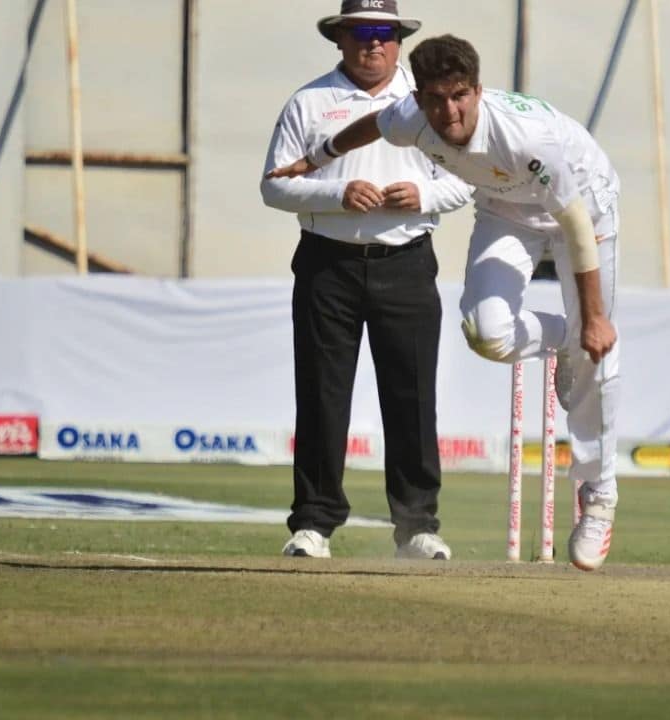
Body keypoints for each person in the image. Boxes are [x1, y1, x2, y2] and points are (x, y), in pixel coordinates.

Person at [268, 34, 622, 571]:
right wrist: (313, 159)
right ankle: (563, 339)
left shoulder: (527, 138)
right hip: (507, 208)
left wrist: (593, 320)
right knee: (486, 331)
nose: (449, 112)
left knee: (597, 349)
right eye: (435, 99)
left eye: (459, 97)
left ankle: (598, 497)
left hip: (584, 205)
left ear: (478, 91)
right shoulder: (411, 116)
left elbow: (574, 222)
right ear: (419, 98)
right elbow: (372, 125)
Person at [260, 2, 471, 561]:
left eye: (383, 32)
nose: (372, 42)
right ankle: (314, 524)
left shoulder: (426, 102)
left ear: (399, 40)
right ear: (339, 39)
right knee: (322, 394)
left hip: (407, 262)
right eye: (360, 32)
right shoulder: (309, 102)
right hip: (327, 264)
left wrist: (422, 194)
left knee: (412, 396)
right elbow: (274, 186)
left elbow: (465, 182)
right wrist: (338, 193)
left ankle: (417, 526)